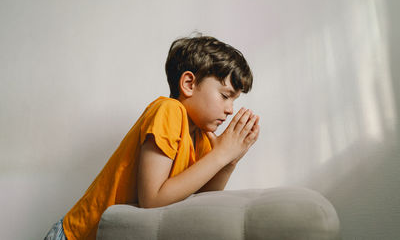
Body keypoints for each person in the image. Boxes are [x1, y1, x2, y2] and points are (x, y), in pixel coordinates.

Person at [44, 35, 260, 240]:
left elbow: (200, 200)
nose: (231, 109)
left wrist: (228, 163)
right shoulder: (169, 110)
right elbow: (152, 199)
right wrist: (220, 155)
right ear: (188, 84)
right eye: (224, 96)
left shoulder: (202, 137)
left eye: (234, 100)